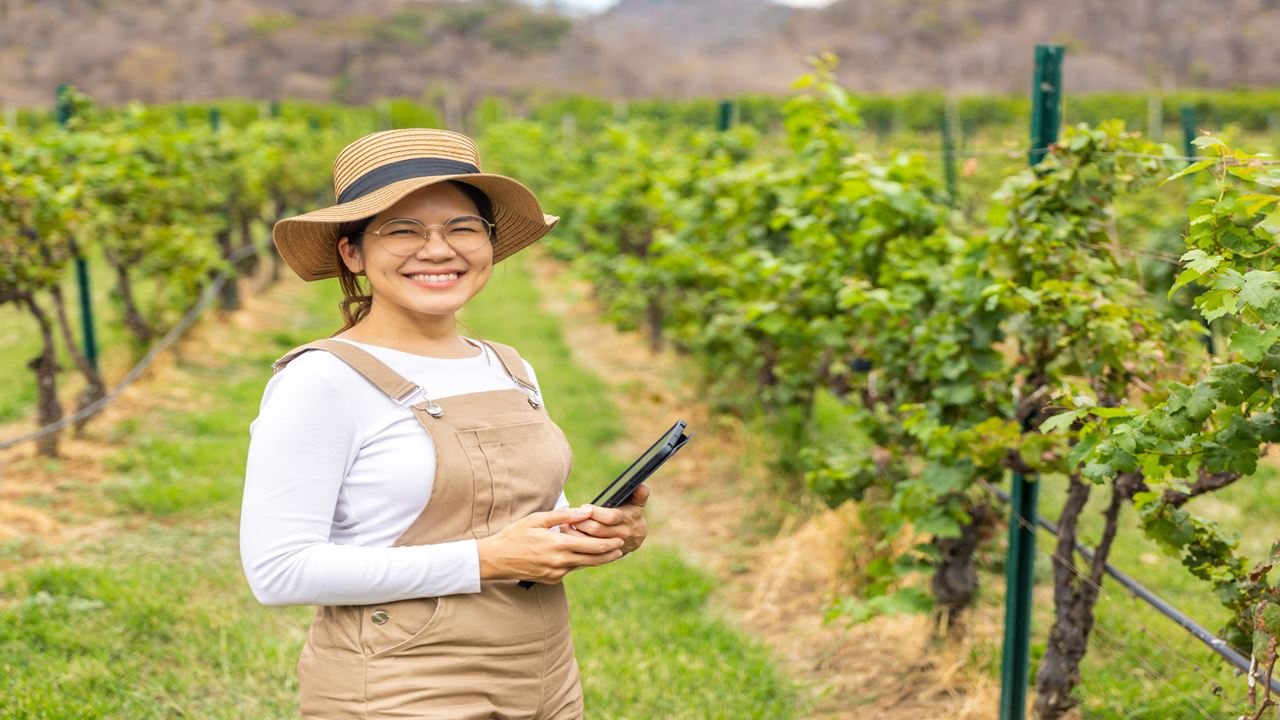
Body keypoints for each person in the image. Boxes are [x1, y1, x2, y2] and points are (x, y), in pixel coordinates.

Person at [239, 128, 649, 719]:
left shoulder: (508, 365)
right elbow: (280, 572)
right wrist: (486, 561)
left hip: (544, 676)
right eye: (402, 230)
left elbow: (516, 517)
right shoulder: (322, 382)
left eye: (461, 228)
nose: (437, 250)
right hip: (397, 688)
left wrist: (595, 529)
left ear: (489, 242)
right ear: (351, 252)